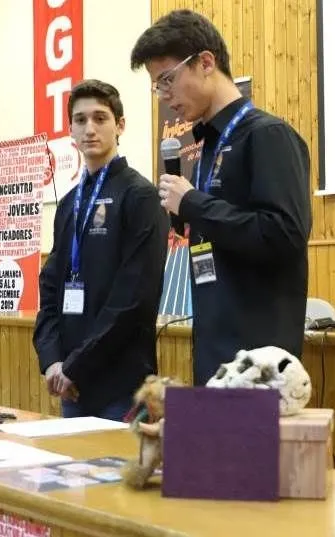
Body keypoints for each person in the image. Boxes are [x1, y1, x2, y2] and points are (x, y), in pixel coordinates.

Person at [130, 10, 312, 386]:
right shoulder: (207, 147)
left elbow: (284, 234)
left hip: (259, 360)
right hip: (215, 350)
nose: (163, 95)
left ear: (206, 63)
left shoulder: (267, 135)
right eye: (156, 86)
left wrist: (193, 203)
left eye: (167, 79)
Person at [33, 79, 169, 420]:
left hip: (121, 384)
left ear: (120, 125)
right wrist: (51, 360)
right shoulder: (69, 204)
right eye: (80, 120)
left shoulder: (140, 196)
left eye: (100, 118)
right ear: (70, 130)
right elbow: (50, 286)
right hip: (71, 384)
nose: (89, 129)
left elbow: (134, 298)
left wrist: (76, 365)